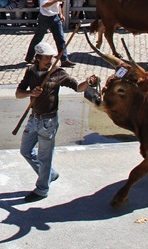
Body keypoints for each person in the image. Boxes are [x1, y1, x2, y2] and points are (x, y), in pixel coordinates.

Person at [16, 41, 98, 202]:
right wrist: (31, 93)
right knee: (25, 151)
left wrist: (87, 82)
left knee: (44, 156)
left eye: (52, 57)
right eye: (47, 58)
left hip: (49, 121)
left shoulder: (58, 73)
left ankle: (42, 189)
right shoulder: (30, 72)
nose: (50, 60)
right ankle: (50, 174)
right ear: (38, 58)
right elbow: (18, 93)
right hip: (34, 118)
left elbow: (77, 87)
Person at [25, 0, 74, 67]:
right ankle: (29, 57)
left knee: (60, 39)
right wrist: (57, 0)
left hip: (55, 16)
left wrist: (61, 14)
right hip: (45, 17)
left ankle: (64, 59)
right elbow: (44, 4)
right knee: (38, 38)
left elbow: (58, 4)